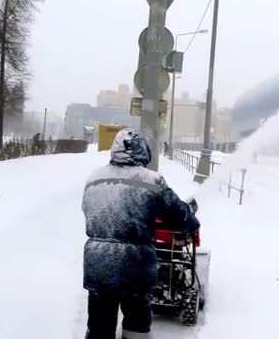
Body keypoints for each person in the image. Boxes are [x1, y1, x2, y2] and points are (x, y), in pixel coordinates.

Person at [81, 129, 200, 339]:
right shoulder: (151, 180)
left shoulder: (93, 178)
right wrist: (191, 221)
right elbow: (177, 214)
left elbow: (88, 210)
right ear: (143, 152)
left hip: (98, 265)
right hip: (134, 266)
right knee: (136, 328)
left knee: (99, 328)